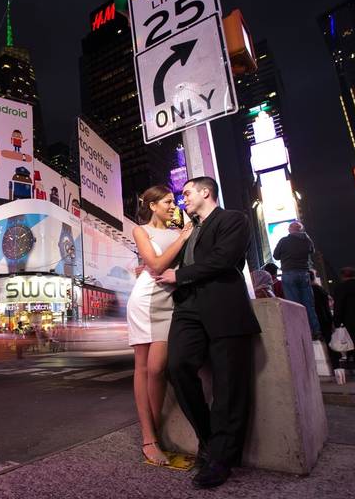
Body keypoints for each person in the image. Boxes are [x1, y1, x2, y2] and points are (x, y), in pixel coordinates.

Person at [157, 176, 261, 489]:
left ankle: (222, 458)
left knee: (229, 384)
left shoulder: (233, 219)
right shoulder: (188, 230)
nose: (182, 198)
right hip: (187, 307)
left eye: (186, 193)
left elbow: (225, 260)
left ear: (206, 192)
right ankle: (209, 440)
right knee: (177, 367)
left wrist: (179, 274)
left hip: (223, 306)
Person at [127, 185, 193, 467]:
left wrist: (184, 234)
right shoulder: (140, 230)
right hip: (144, 301)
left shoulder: (182, 231)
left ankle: (151, 428)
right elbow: (154, 265)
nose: (172, 205)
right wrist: (182, 238)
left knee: (157, 369)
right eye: (167, 202)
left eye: (174, 202)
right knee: (145, 367)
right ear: (152, 205)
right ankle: (149, 437)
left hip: (171, 303)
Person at [272, 221, 321, 338]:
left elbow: (275, 256)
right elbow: (311, 251)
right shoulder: (307, 240)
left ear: (290, 229)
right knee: (308, 304)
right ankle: (315, 330)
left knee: (294, 304)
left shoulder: (284, 241)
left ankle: (299, 332)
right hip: (304, 273)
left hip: (289, 274)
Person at [310, 271, 338, 366]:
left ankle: (330, 365)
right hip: (326, 318)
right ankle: (336, 365)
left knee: (322, 342)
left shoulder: (310, 291)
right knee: (330, 342)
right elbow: (329, 303)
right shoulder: (320, 289)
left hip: (318, 318)